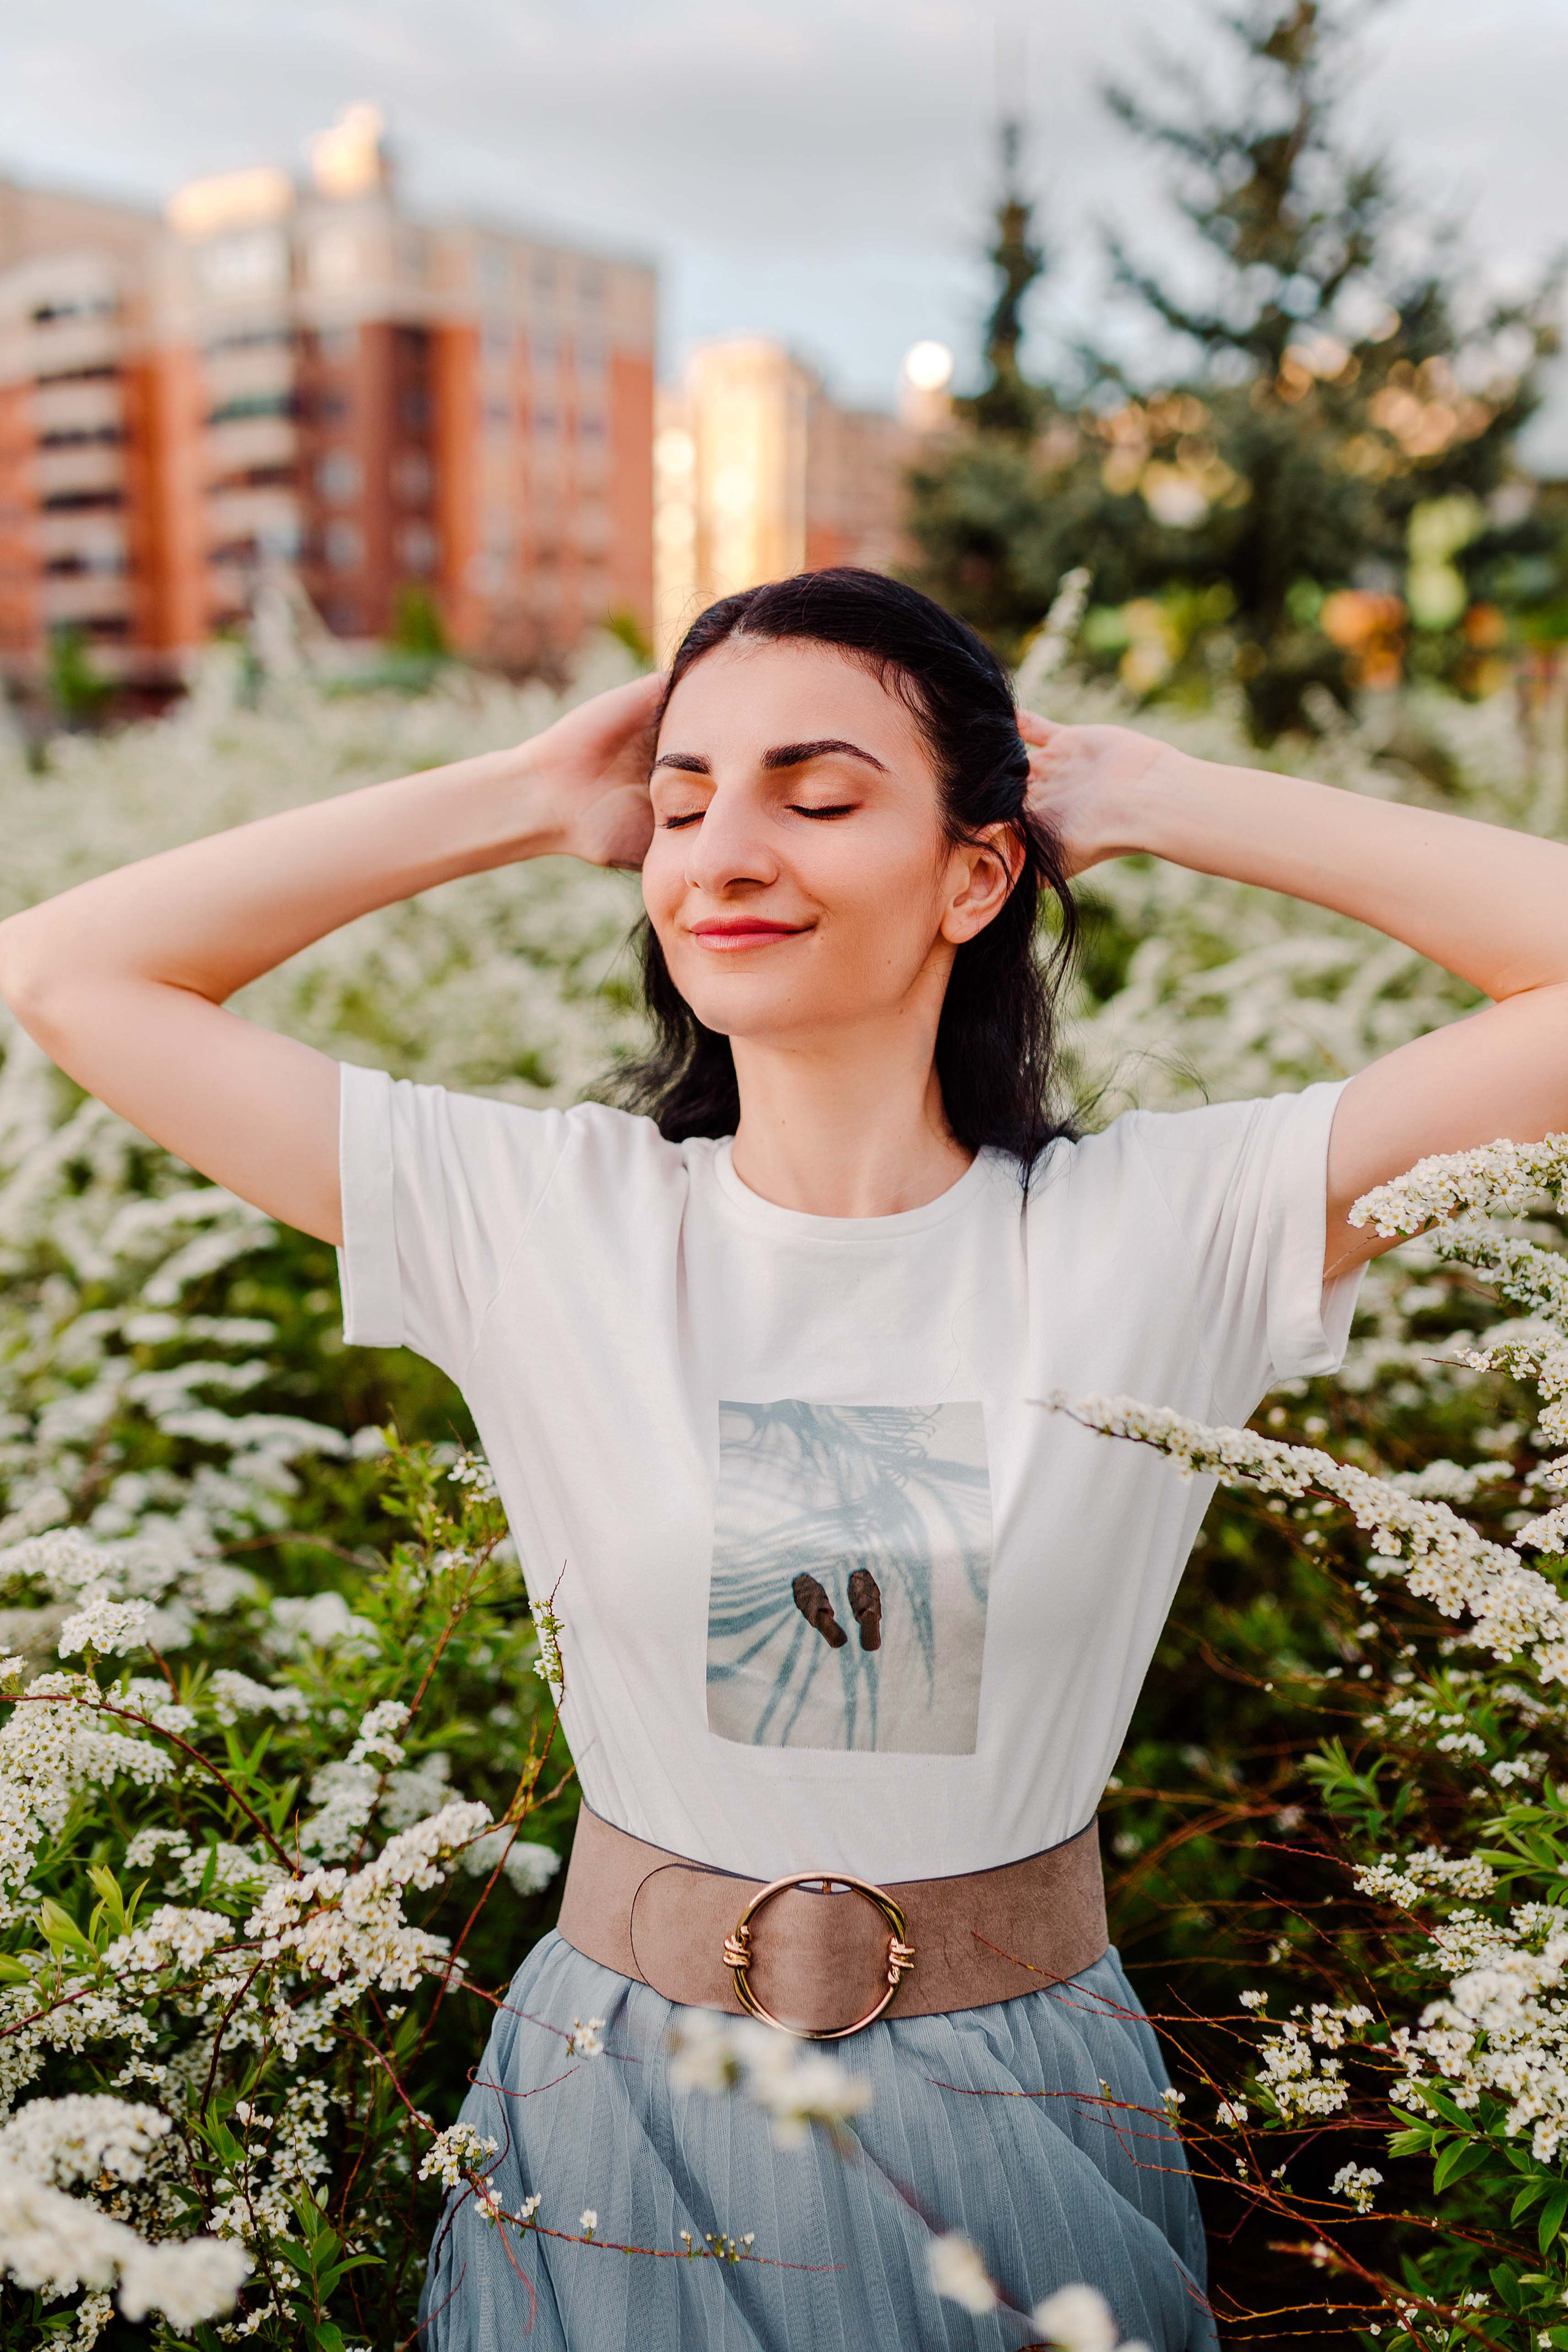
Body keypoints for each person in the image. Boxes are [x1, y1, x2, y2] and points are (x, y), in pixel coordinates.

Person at [2, 568, 1567, 2351]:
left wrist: (1158, 796)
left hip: (1024, 2104)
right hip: (623, 2111)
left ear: (975, 876)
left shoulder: (1171, 1229)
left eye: (816, 798)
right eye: (681, 807)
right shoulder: (540, 1218)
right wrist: (519, 796)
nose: (725, 857)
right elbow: (67, 970)